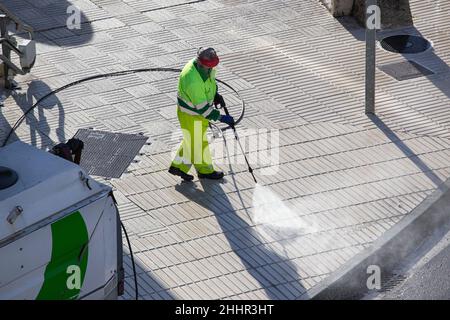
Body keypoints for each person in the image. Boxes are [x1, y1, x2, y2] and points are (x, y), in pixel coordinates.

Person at [169, 47, 234, 181]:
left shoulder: (205, 67)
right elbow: (203, 109)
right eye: (208, 67)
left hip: (196, 112)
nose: (210, 69)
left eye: (212, 67)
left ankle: (181, 167)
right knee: (196, 142)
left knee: (195, 141)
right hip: (190, 114)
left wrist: (216, 94)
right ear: (200, 63)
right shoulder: (193, 80)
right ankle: (194, 169)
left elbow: (210, 81)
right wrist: (221, 117)